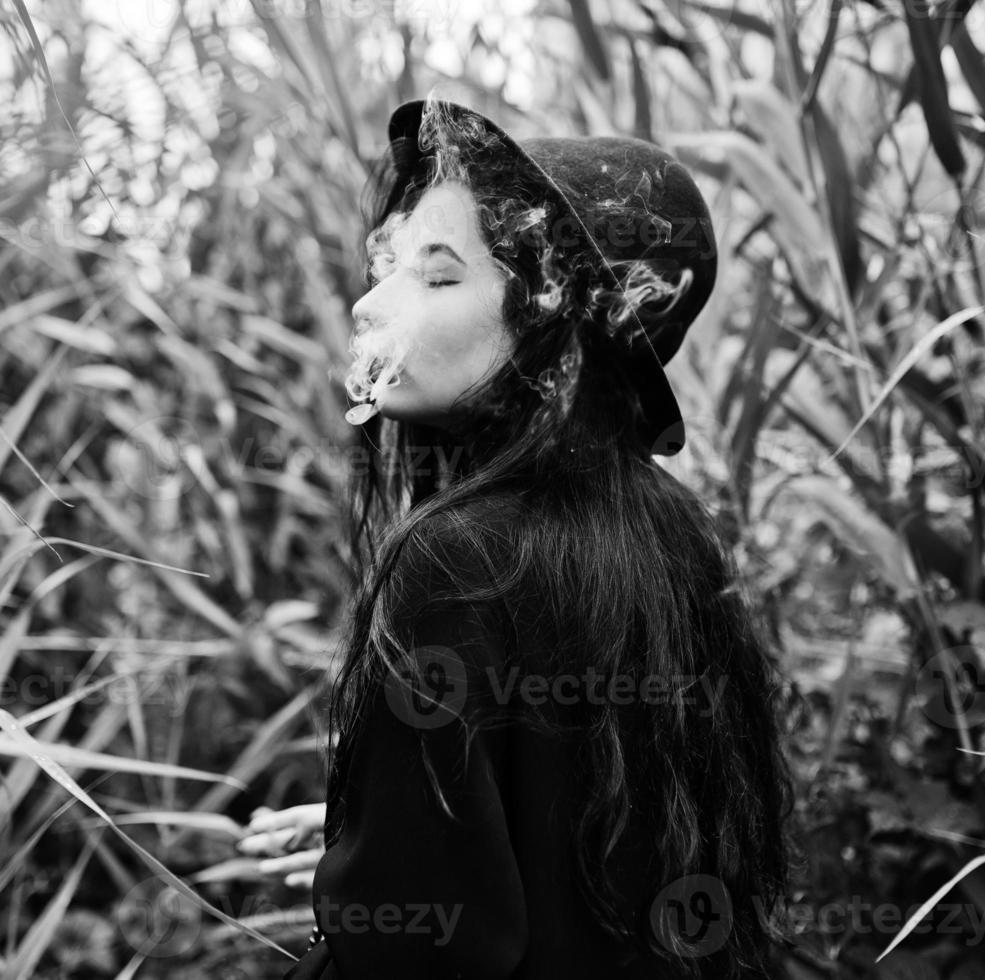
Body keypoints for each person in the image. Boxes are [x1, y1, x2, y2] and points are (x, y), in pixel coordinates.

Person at [243, 94, 795, 979]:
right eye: (388, 265)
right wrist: (395, 817)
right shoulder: (667, 527)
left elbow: (420, 959)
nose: (366, 306)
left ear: (554, 322)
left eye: (438, 275)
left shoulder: (452, 558)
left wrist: (374, 881)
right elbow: (603, 834)